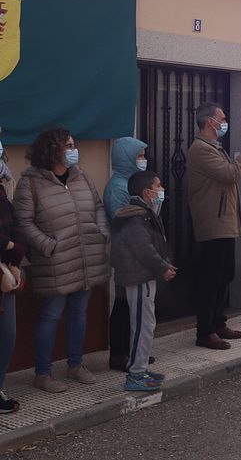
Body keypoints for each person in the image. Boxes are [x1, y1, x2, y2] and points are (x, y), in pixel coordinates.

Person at [13, 128, 110, 393]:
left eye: (73, 144)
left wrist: (101, 233)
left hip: (86, 256)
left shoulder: (82, 176)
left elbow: (98, 207)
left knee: (79, 312)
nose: (73, 150)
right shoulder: (30, 182)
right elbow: (23, 222)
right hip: (55, 260)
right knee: (51, 315)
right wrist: (48, 245)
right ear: (51, 150)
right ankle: (43, 373)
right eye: (67, 146)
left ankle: (76, 364)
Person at [186, 103, 241, 350]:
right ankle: (205, 331)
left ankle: (218, 322)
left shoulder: (214, 147)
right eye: (222, 118)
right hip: (213, 222)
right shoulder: (201, 149)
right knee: (211, 277)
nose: (225, 122)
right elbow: (230, 174)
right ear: (210, 121)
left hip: (225, 221)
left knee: (225, 274)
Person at [110, 171, 176, 392]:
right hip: (138, 276)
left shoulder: (145, 213)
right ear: (147, 192)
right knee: (141, 325)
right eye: (158, 186)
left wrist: (164, 264)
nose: (161, 190)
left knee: (146, 324)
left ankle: (141, 367)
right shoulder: (136, 216)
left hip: (144, 275)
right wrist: (163, 267)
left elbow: (154, 244)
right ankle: (136, 374)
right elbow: (144, 249)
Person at [102, 136, 148, 372]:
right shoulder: (118, 187)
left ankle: (133, 351)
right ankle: (118, 354)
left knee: (133, 305)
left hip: (136, 252)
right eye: (139, 156)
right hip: (125, 254)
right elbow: (122, 221)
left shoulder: (132, 183)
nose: (143, 160)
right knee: (122, 305)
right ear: (126, 157)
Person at [1, 158, 27, 413]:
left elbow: (16, 227)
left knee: (7, 334)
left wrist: (15, 249)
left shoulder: (3, 190)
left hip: (4, 274)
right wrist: (7, 245)